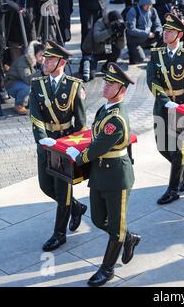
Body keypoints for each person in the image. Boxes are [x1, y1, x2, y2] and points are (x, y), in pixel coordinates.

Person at [67, 63, 141, 287]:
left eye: (112, 84)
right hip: (101, 173)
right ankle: (129, 237)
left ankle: (107, 269)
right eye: (106, 82)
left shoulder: (116, 118)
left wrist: (77, 156)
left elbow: (99, 146)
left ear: (122, 90)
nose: (106, 86)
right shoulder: (105, 109)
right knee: (99, 219)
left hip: (116, 176)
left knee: (115, 226)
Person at [29, 41, 87, 252]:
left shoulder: (74, 86)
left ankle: (59, 234)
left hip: (64, 142)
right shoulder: (37, 85)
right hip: (46, 143)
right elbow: (34, 115)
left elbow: (80, 123)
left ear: (61, 62)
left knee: (63, 190)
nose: (45, 62)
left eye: (50, 59)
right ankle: (77, 207)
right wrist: (42, 137)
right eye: (45, 58)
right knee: (46, 186)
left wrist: (76, 148)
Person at [146, 13, 184, 205]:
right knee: (162, 146)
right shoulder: (156, 54)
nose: (165, 33)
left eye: (170, 31)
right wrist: (163, 99)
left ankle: (173, 189)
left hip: (181, 106)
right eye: (164, 30)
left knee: (178, 149)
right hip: (162, 106)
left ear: (179, 34)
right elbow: (151, 80)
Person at [81, 10, 126, 80]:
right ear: (110, 22)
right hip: (93, 51)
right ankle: (85, 63)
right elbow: (97, 38)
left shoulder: (116, 27)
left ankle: (106, 67)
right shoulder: (100, 23)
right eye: (115, 23)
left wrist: (122, 34)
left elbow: (121, 46)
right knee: (90, 76)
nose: (117, 25)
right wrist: (110, 31)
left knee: (117, 51)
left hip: (105, 48)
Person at [5, 40, 44, 115]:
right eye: (40, 55)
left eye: (44, 55)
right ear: (33, 54)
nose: (43, 58)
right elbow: (28, 80)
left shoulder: (38, 62)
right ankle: (18, 105)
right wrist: (42, 72)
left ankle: (33, 103)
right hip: (11, 84)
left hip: (21, 82)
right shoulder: (23, 61)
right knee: (28, 87)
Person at [125, 0, 162, 64]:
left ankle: (157, 55)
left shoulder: (153, 10)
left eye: (150, 5)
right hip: (135, 40)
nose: (149, 7)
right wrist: (147, 34)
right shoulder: (133, 11)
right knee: (139, 60)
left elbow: (158, 24)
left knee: (163, 36)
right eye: (147, 5)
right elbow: (131, 30)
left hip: (149, 37)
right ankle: (132, 53)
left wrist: (157, 31)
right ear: (142, 3)